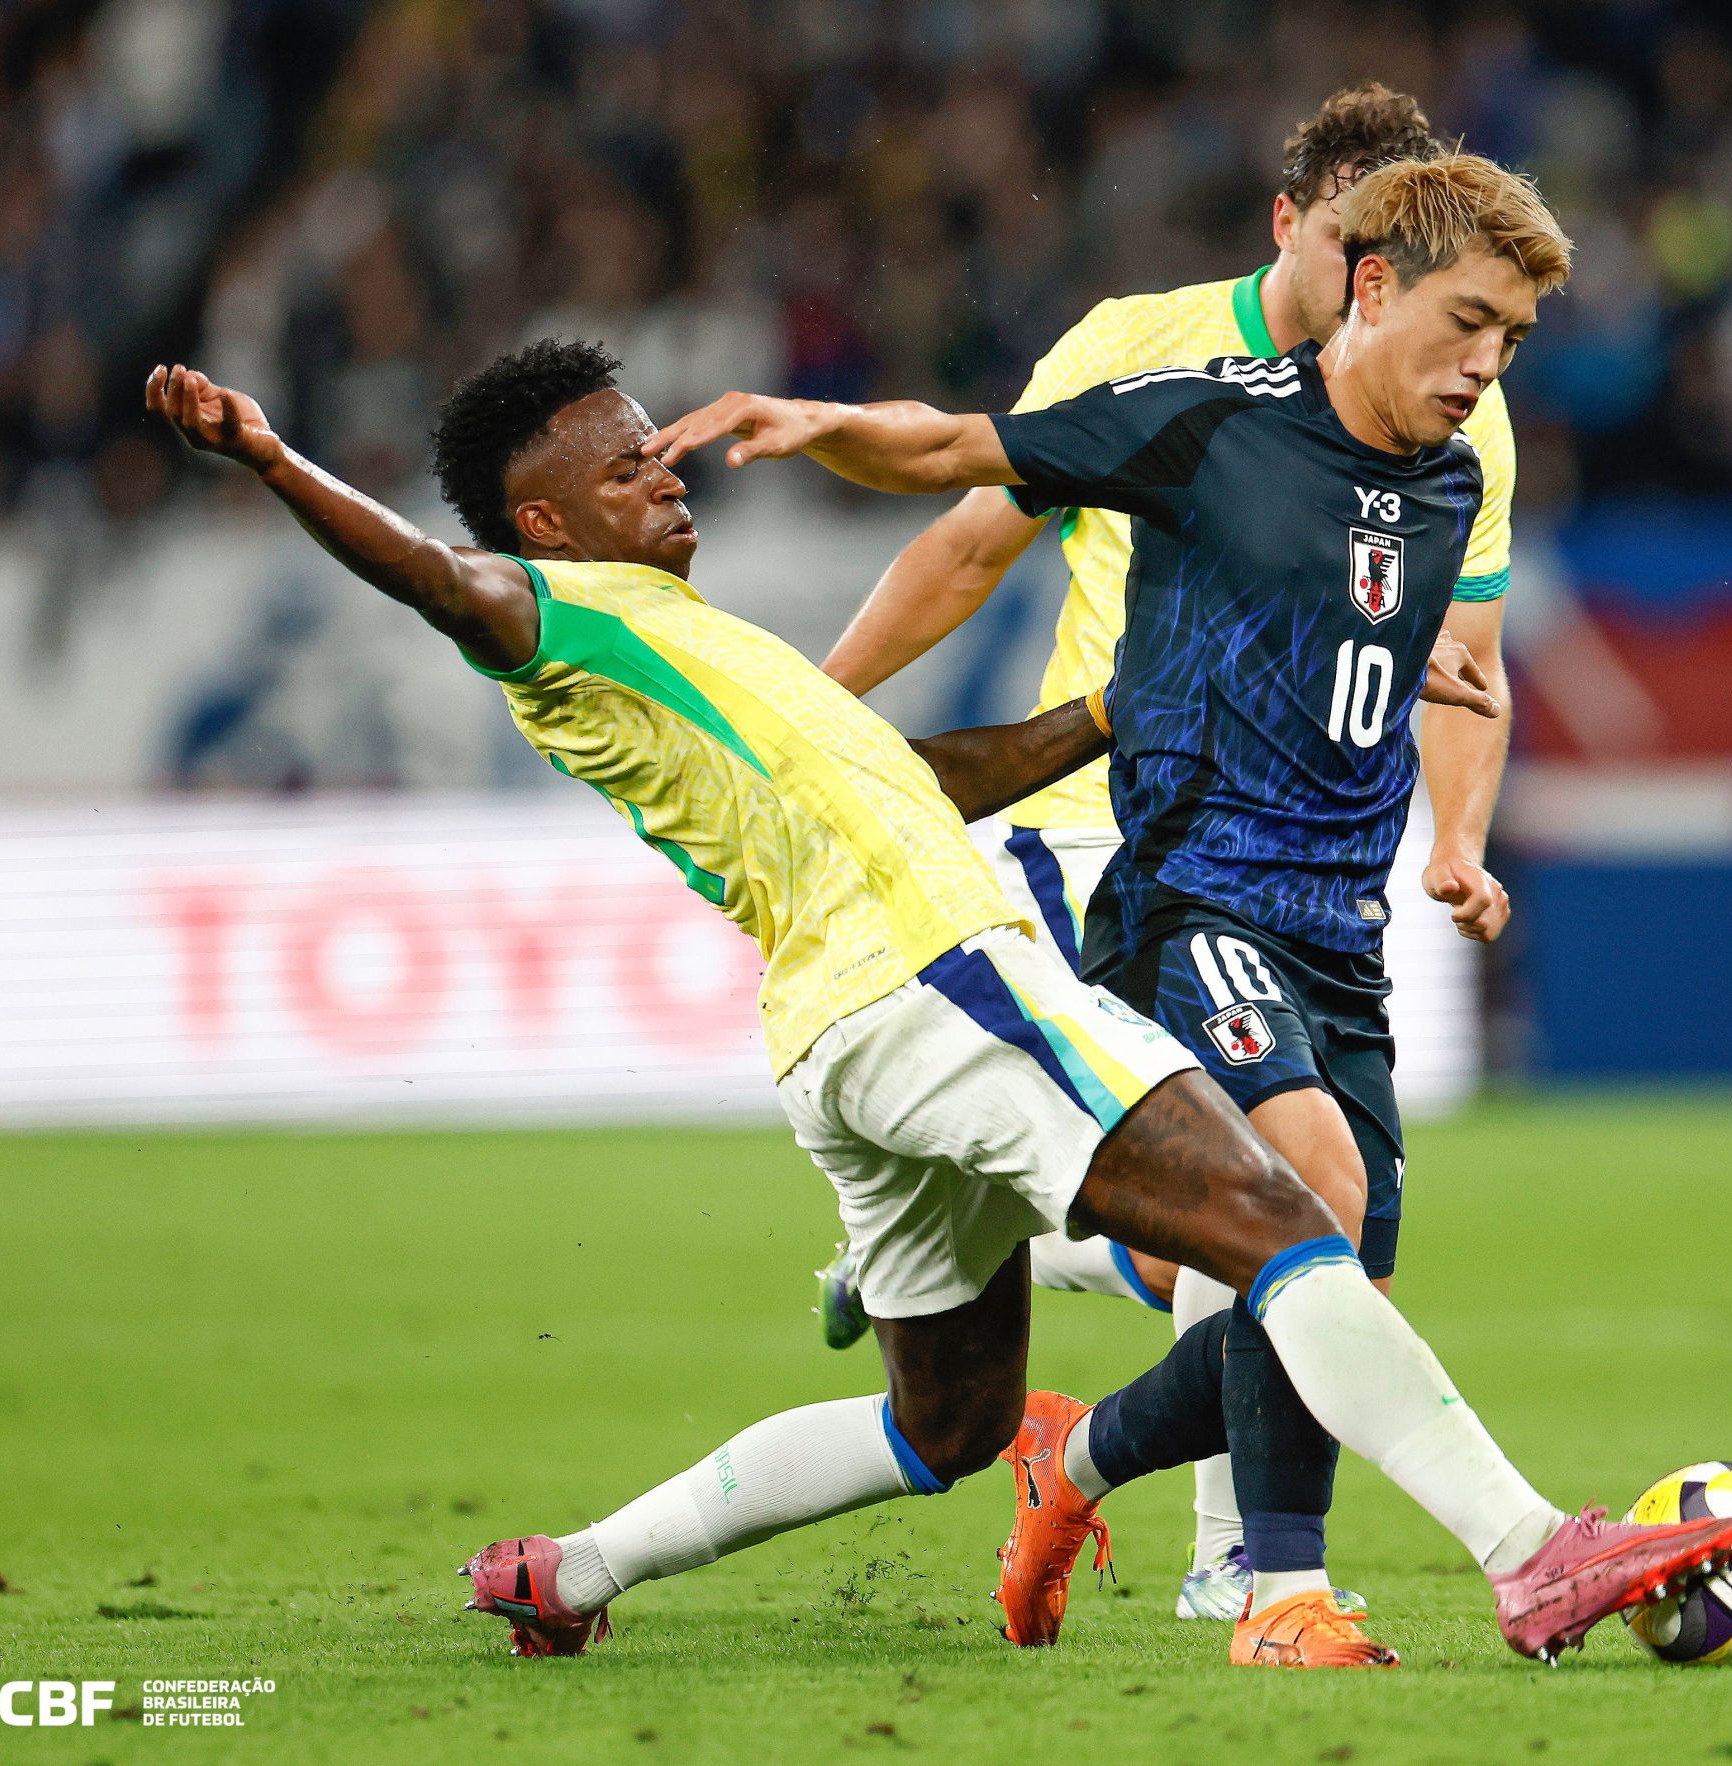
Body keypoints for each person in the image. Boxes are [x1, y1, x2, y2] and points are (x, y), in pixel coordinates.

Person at [142, 342, 1732, 1669]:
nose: (669, 471)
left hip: (838, 1036)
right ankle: (1528, 1552)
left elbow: (917, 778)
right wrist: (276, 459)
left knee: (950, 1422)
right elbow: (441, 581)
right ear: (545, 521)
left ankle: (569, 1570)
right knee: (1284, 1218)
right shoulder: (549, 612)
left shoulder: (694, 646)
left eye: (659, 447)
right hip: (936, 973)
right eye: (629, 466)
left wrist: (1117, 708)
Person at [648, 152, 1598, 1667]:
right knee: (1301, 1199)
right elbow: (964, 457)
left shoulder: (1451, 474)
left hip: (1339, 932)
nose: (1488, 362)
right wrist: (822, 424)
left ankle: (1072, 1462)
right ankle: (1287, 1593)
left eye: (1514, 338)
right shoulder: (1201, 408)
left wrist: (1455, 826)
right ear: (1369, 282)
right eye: (1469, 321)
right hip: (1179, 888)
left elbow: (1383, 619)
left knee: (1319, 1298)